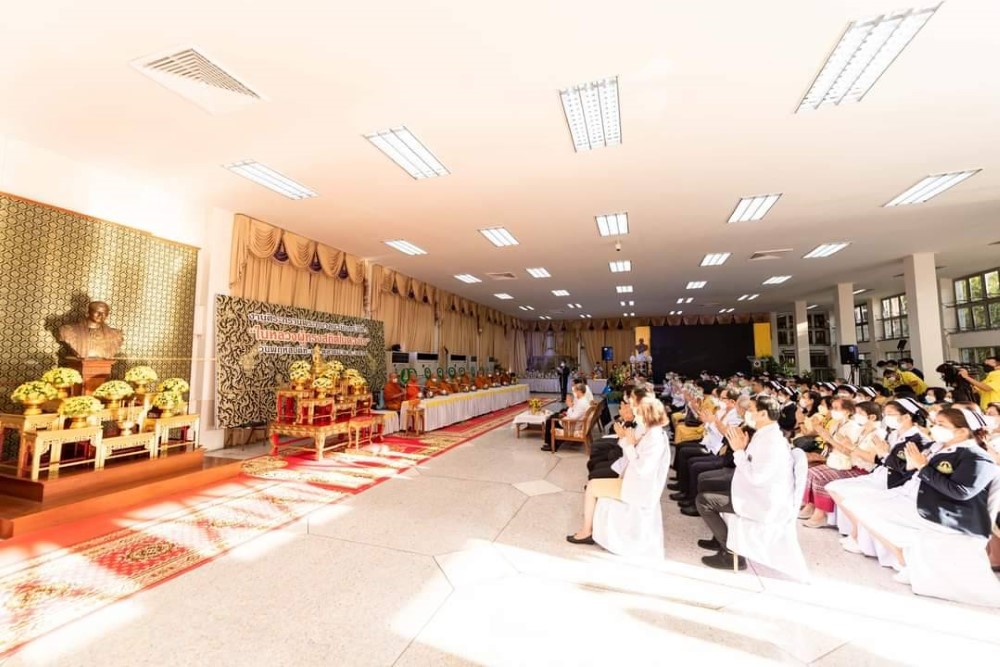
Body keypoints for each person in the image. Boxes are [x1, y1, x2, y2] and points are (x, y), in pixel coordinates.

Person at [697, 396, 795, 570]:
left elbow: (756, 477)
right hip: (753, 489)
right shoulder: (765, 433)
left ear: (763, 414)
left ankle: (732, 554)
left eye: (751, 409)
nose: (747, 413)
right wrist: (742, 448)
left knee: (704, 501)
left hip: (761, 500)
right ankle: (719, 538)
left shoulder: (772, 442)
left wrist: (739, 451)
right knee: (707, 484)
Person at [568, 396, 670, 549]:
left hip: (636, 487)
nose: (636, 415)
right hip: (633, 480)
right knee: (594, 479)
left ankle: (586, 531)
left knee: (592, 487)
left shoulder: (654, 438)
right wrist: (628, 441)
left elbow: (641, 468)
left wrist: (628, 443)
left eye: (639, 412)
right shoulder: (653, 432)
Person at [57, 300, 124, 359]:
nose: (100, 315)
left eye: (104, 313)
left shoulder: (116, 334)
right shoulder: (67, 331)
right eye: (97, 312)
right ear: (88, 312)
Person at [543, 383, 592, 452]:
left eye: (575, 391)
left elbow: (573, 417)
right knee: (555, 415)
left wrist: (570, 406)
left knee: (550, 421)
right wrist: (570, 408)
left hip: (572, 425)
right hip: (575, 422)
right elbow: (575, 412)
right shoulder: (583, 400)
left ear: (579, 391)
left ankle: (551, 445)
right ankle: (556, 442)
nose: (574, 393)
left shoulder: (582, 403)